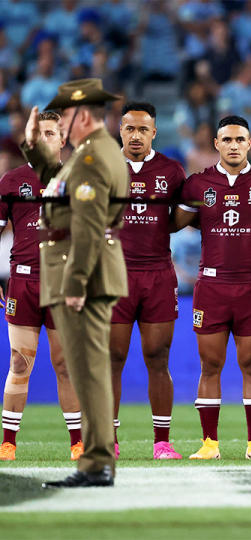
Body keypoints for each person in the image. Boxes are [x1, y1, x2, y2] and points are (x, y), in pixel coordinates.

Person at [21, 78, 129, 488]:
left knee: (89, 373)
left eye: (64, 116)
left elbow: (86, 225)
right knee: (89, 371)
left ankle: (98, 463)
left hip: (84, 272)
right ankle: (96, 460)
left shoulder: (91, 159)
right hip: (91, 269)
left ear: (82, 115)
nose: (61, 124)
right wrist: (34, 147)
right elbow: (57, 183)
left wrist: (76, 281)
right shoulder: (90, 153)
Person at [172, 115, 251, 461]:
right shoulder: (197, 184)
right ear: (216, 144)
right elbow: (170, 225)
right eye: (227, 140)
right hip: (212, 286)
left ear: (250, 144)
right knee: (210, 365)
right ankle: (209, 443)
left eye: (240, 140)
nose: (234, 145)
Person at [0, 110, 84, 462]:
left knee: (65, 365)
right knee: (19, 364)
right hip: (23, 280)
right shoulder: (11, 181)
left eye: (51, 133)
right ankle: (8, 443)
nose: (43, 139)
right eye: (38, 133)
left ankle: (78, 443)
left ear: (62, 139)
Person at [109, 101, 186, 460]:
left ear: (154, 132)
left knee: (158, 357)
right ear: (119, 131)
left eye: (143, 129)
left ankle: (162, 442)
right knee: (112, 357)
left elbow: (182, 217)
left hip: (157, 275)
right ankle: (108, 440)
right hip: (114, 274)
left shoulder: (171, 171)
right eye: (129, 128)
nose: (135, 135)